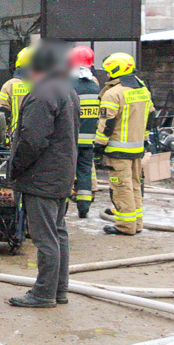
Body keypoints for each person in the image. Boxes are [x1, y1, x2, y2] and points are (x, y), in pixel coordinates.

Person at [7, 42, 79, 308]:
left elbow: (33, 140)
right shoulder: (67, 90)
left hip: (42, 178)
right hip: (60, 174)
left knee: (45, 237)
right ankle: (58, 290)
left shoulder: (42, 94)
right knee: (58, 233)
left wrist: (15, 169)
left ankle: (43, 294)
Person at [95, 53, 154, 236]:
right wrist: (144, 140)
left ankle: (125, 226)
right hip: (137, 148)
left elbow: (108, 124)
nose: (106, 75)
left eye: (108, 71)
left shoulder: (113, 93)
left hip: (117, 150)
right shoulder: (142, 89)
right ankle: (137, 223)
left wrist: (99, 145)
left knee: (121, 188)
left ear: (116, 70)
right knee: (135, 186)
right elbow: (150, 117)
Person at [69, 46, 101, 218]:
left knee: (67, 173)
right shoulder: (96, 88)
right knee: (85, 173)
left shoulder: (69, 86)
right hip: (88, 141)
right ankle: (84, 207)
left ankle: (64, 208)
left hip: (70, 140)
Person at [0, 46, 34, 138]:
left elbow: (2, 114)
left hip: (15, 136)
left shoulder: (9, 85)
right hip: (38, 139)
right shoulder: (45, 86)